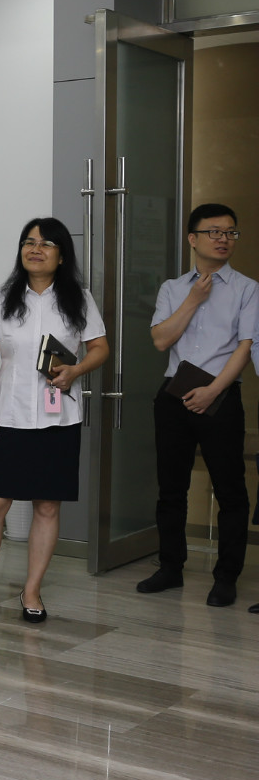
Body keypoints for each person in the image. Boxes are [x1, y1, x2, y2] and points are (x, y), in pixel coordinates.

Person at [0, 218, 108, 622]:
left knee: (47, 506)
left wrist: (76, 370)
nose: (35, 249)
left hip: (59, 418)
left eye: (45, 243)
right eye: (28, 242)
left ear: (62, 255)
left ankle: (33, 591)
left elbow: (100, 348)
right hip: (8, 415)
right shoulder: (3, 296)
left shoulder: (79, 299)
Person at [137, 204, 254, 608]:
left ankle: (226, 577)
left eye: (231, 232)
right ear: (193, 239)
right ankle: (171, 567)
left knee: (230, 489)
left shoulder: (247, 289)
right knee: (171, 487)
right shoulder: (172, 289)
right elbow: (160, 340)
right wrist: (193, 299)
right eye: (214, 231)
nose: (224, 239)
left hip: (222, 395)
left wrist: (213, 390)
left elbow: (245, 347)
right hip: (174, 395)